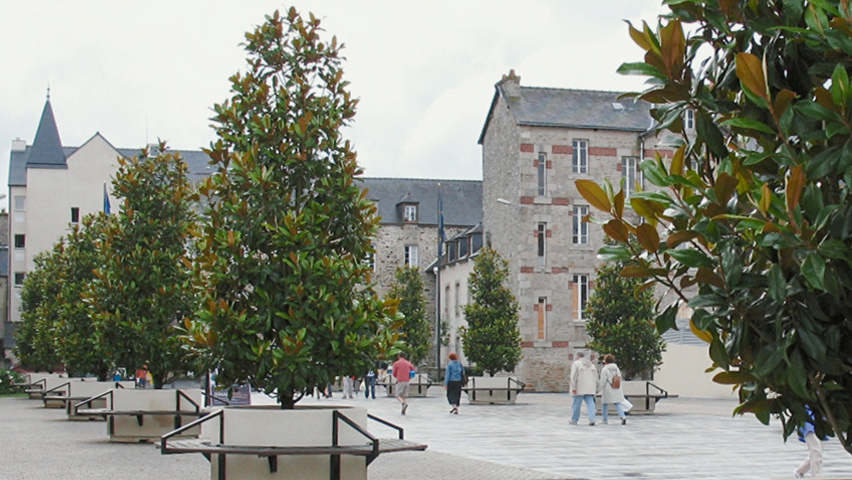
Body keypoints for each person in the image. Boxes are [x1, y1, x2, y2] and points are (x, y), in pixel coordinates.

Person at [795, 407, 826, 478]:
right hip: (807, 419)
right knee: (816, 450)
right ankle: (817, 477)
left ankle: (800, 471)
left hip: (821, 420)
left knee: (817, 452)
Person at [569, 351, 598, 425]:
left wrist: (573, 387)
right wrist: (595, 387)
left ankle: (574, 419)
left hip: (579, 387)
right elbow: (596, 377)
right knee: (591, 403)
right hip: (590, 388)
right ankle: (592, 419)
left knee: (577, 404)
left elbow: (573, 377)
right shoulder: (592, 365)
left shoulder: (576, 364)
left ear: (577, 356)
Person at [599, 354, 627, 425]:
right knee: (617, 403)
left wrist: (599, 388)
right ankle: (622, 416)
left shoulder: (605, 369)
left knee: (604, 404)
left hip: (608, 388)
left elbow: (603, 380)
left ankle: (605, 419)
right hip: (617, 387)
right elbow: (619, 376)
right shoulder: (616, 368)